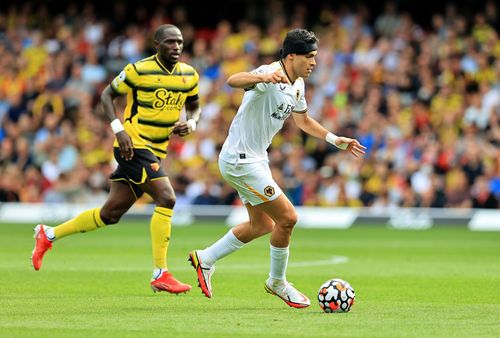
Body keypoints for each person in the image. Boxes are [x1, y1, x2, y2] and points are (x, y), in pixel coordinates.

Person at [188, 29, 366, 308]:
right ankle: (277, 282)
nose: (314, 63)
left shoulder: (298, 84)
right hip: (240, 160)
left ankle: (205, 258)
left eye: (315, 57)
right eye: (309, 57)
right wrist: (262, 77)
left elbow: (304, 122)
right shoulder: (270, 72)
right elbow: (233, 80)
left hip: (256, 159)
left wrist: (335, 140)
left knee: (262, 225)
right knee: (288, 218)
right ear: (291, 56)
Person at [31, 24, 201, 294]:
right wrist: (118, 129)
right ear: (156, 44)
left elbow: (194, 105)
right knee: (167, 198)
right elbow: (106, 94)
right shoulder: (138, 70)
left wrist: (191, 124)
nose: (176, 47)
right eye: (170, 42)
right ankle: (161, 272)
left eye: (180, 42)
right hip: (131, 145)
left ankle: (48, 234)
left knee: (110, 214)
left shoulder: (189, 75)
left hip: (157, 149)